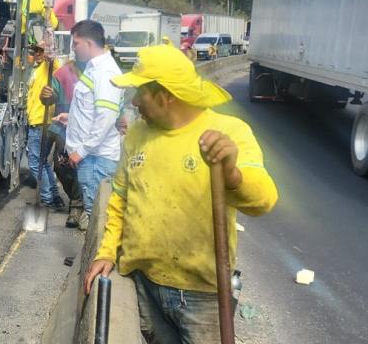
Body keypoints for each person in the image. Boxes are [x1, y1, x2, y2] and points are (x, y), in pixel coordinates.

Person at [83, 45, 279, 344]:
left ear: (166, 95)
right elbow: (120, 197)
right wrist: (107, 251)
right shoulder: (137, 134)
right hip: (144, 284)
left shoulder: (228, 132)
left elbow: (263, 201)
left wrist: (231, 174)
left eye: (140, 93)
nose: (134, 102)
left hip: (203, 296)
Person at [65, 20, 125, 230]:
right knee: (94, 213)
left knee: (96, 216)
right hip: (91, 158)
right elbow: (91, 109)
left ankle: (94, 260)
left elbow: (106, 117)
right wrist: (69, 118)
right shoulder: (94, 69)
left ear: (89, 43)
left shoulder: (105, 72)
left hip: (96, 159)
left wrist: (81, 150)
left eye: (76, 43)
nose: (73, 48)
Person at [40, 60, 85, 227]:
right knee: (61, 165)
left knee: (80, 165)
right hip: (62, 125)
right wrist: (46, 95)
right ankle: (75, 198)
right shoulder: (62, 73)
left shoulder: (97, 71)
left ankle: (77, 206)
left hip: (87, 127)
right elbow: (49, 98)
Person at [26, 46, 65, 209]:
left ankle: (47, 199)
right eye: (36, 51)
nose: (38, 54)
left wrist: (49, 52)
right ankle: (54, 196)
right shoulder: (36, 70)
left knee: (35, 162)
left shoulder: (49, 66)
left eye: (42, 51)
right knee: (43, 161)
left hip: (42, 122)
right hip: (36, 120)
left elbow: (54, 61)